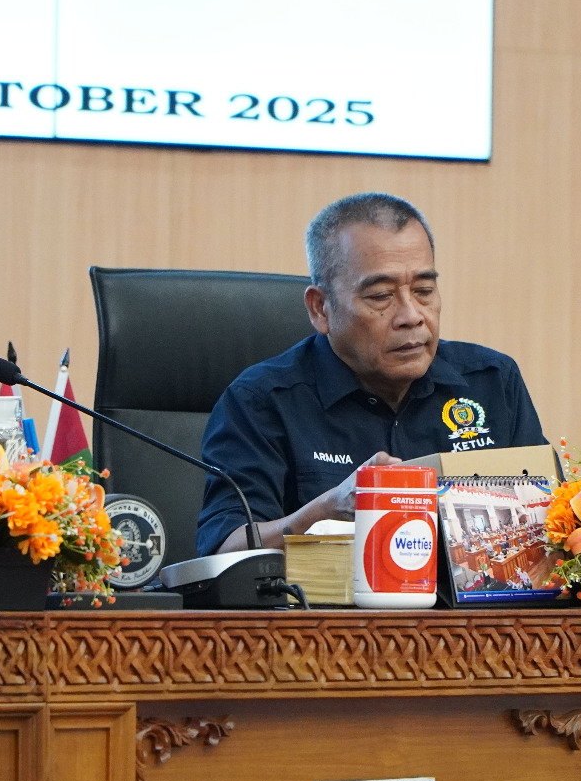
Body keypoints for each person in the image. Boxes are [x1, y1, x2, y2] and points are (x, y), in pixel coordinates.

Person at [196, 192, 547, 555]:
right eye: (381, 296)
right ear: (320, 309)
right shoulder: (262, 400)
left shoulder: (491, 381)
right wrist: (325, 512)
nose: (412, 315)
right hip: (324, 610)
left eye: (424, 290)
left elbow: (547, 518)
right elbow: (225, 550)